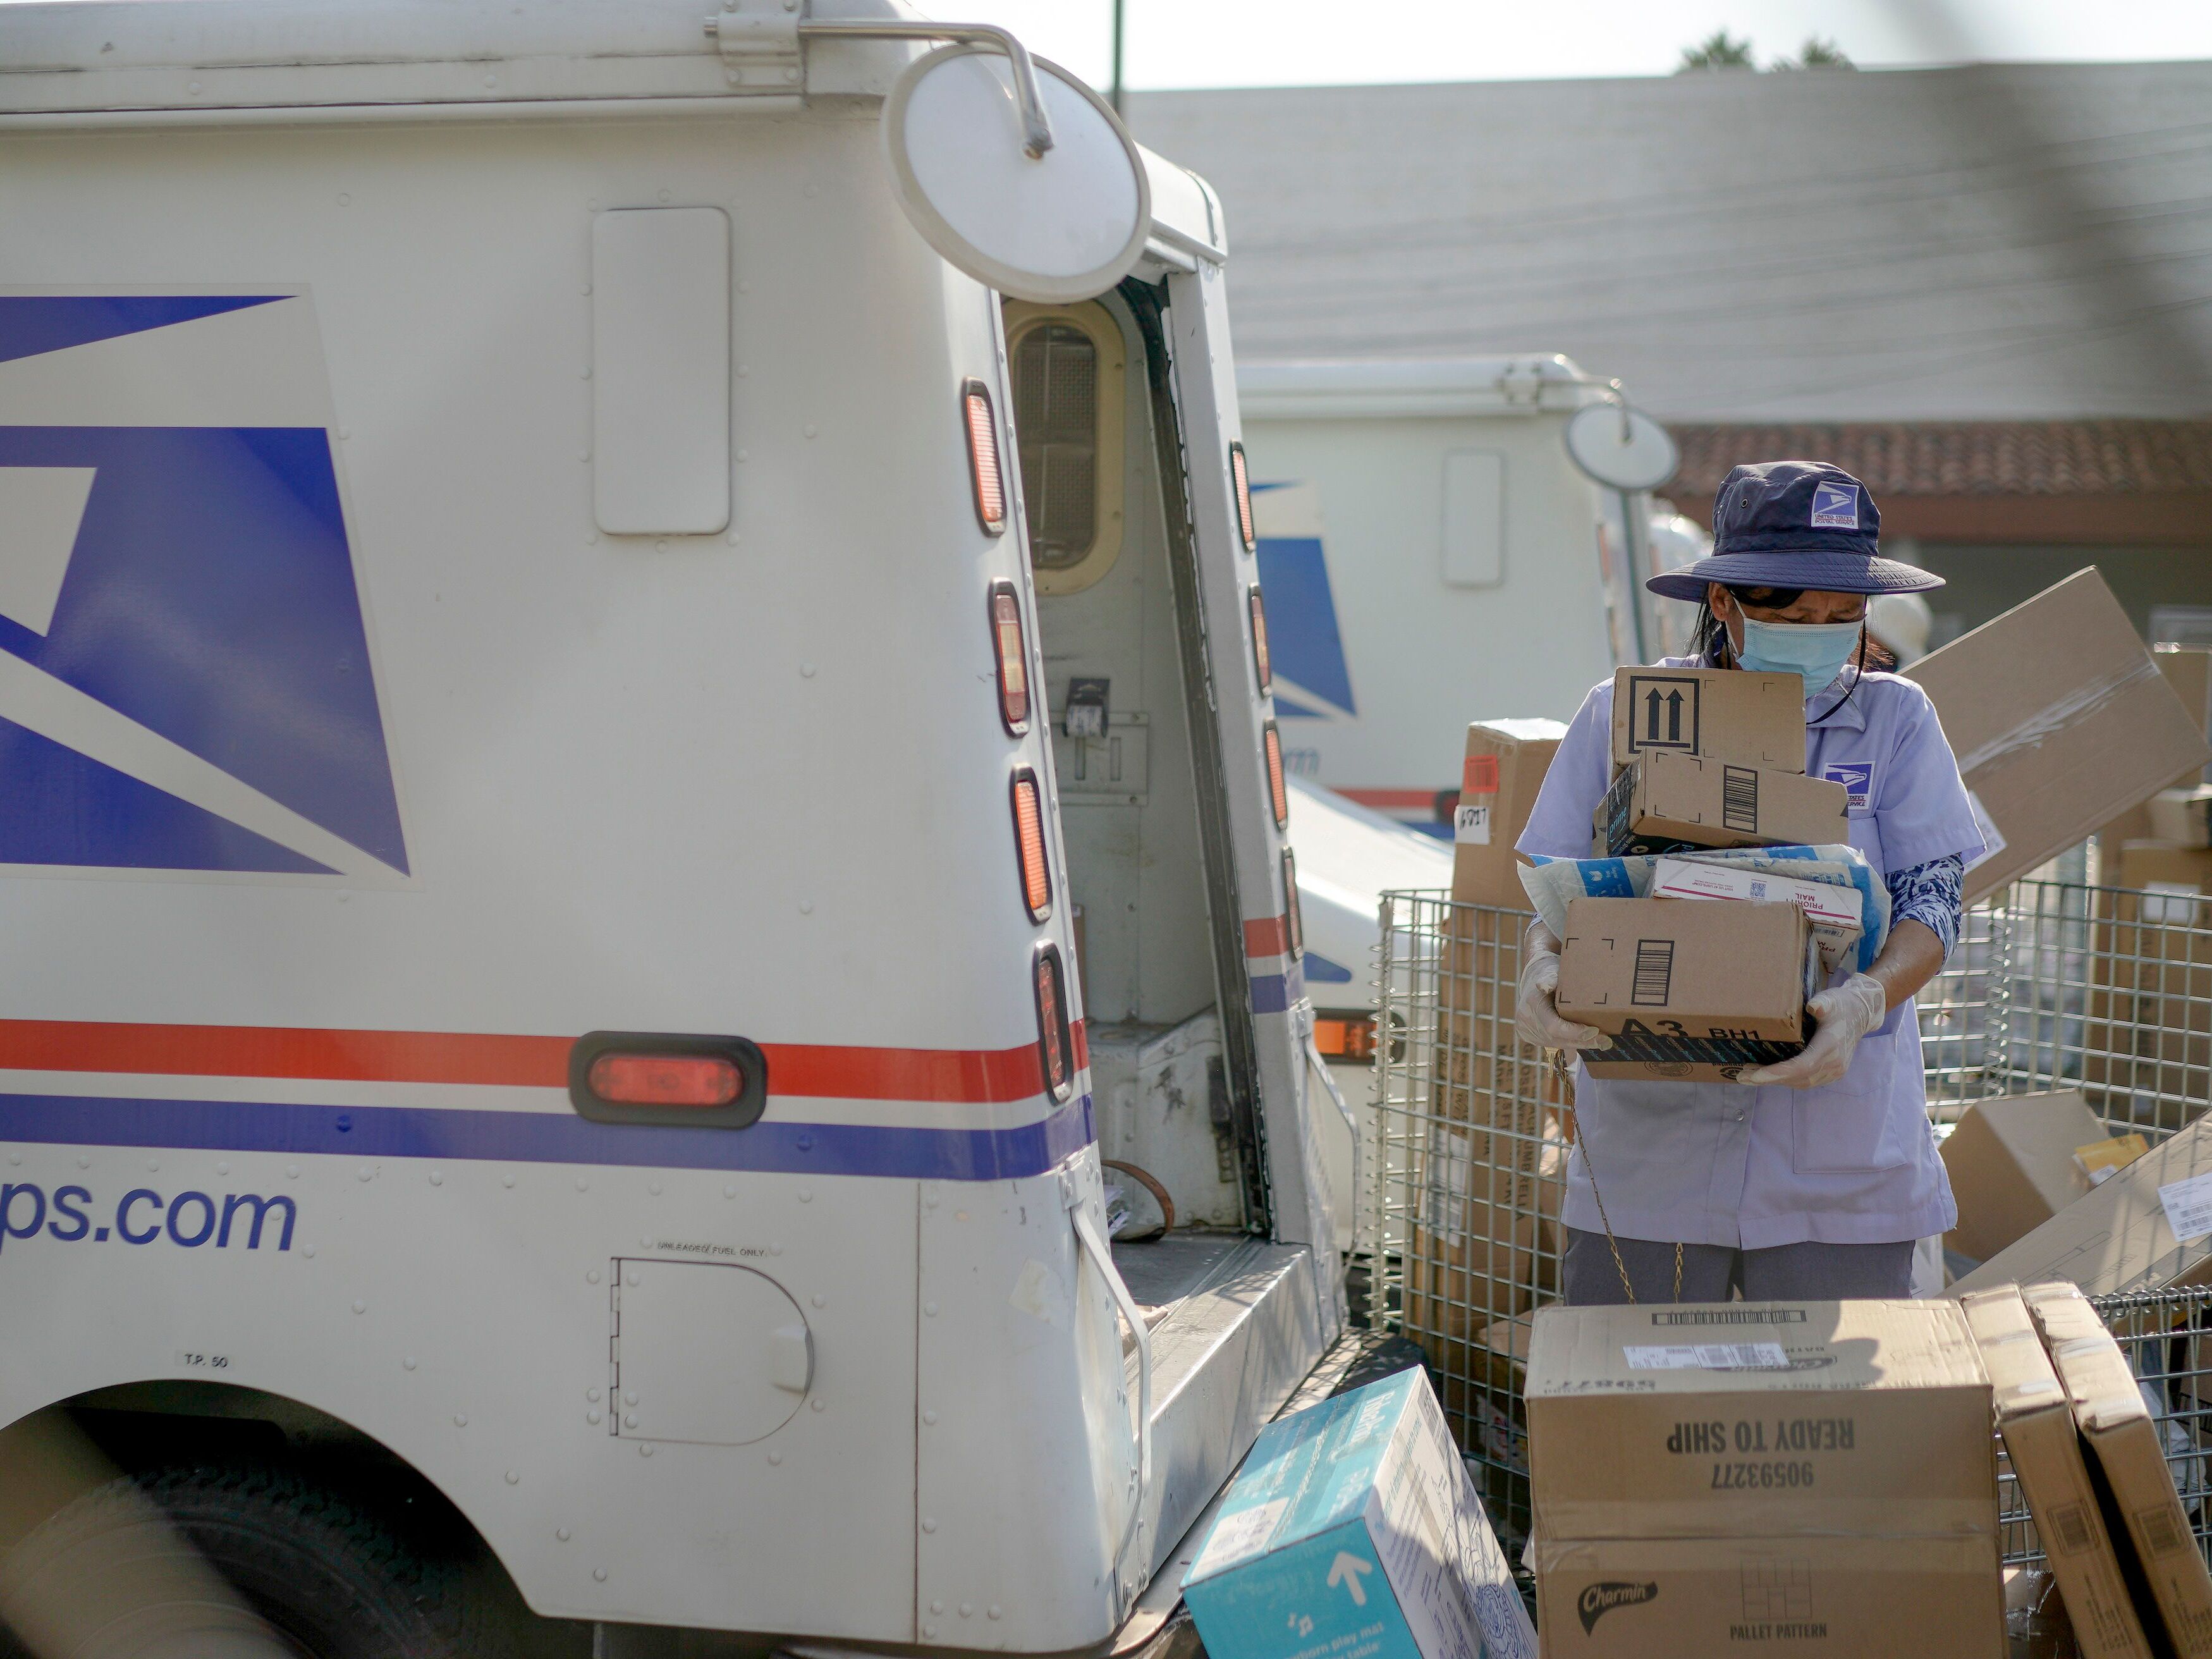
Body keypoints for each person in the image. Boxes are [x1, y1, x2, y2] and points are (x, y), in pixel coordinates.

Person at [1515, 460, 1981, 1304]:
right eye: (1795, 613)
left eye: (1843, 615)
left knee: (1822, 1424)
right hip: (1652, 1161)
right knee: (1637, 1416)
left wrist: (1866, 1000)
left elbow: (1935, 900)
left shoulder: (1895, 720)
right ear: (1724, 603)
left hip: (1839, 1166)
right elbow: (1561, 883)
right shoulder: (1627, 713)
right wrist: (1545, 966)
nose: (1822, 631)